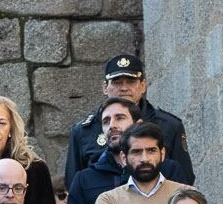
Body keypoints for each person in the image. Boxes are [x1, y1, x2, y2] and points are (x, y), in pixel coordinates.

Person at [60, 53, 194, 188]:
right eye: (117, 82)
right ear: (105, 87)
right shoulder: (83, 131)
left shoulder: (169, 126)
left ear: (143, 86)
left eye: (131, 81)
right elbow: (74, 184)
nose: (124, 88)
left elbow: (184, 180)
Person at [64, 97, 138, 204]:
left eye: (120, 118)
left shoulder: (163, 171)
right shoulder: (84, 180)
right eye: (106, 121)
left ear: (138, 124)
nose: (112, 125)